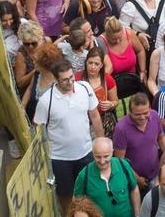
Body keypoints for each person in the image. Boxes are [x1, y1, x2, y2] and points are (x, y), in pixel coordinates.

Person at [35, 58, 105, 213]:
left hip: (86, 153)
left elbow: (94, 116)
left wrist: (101, 141)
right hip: (60, 159)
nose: (70, 82)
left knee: (90, 193)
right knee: (65, 196)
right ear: (55, 80)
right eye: (65, 79)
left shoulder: (85, 88)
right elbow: (39, 130)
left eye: (71, 77)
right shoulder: (46, 101)